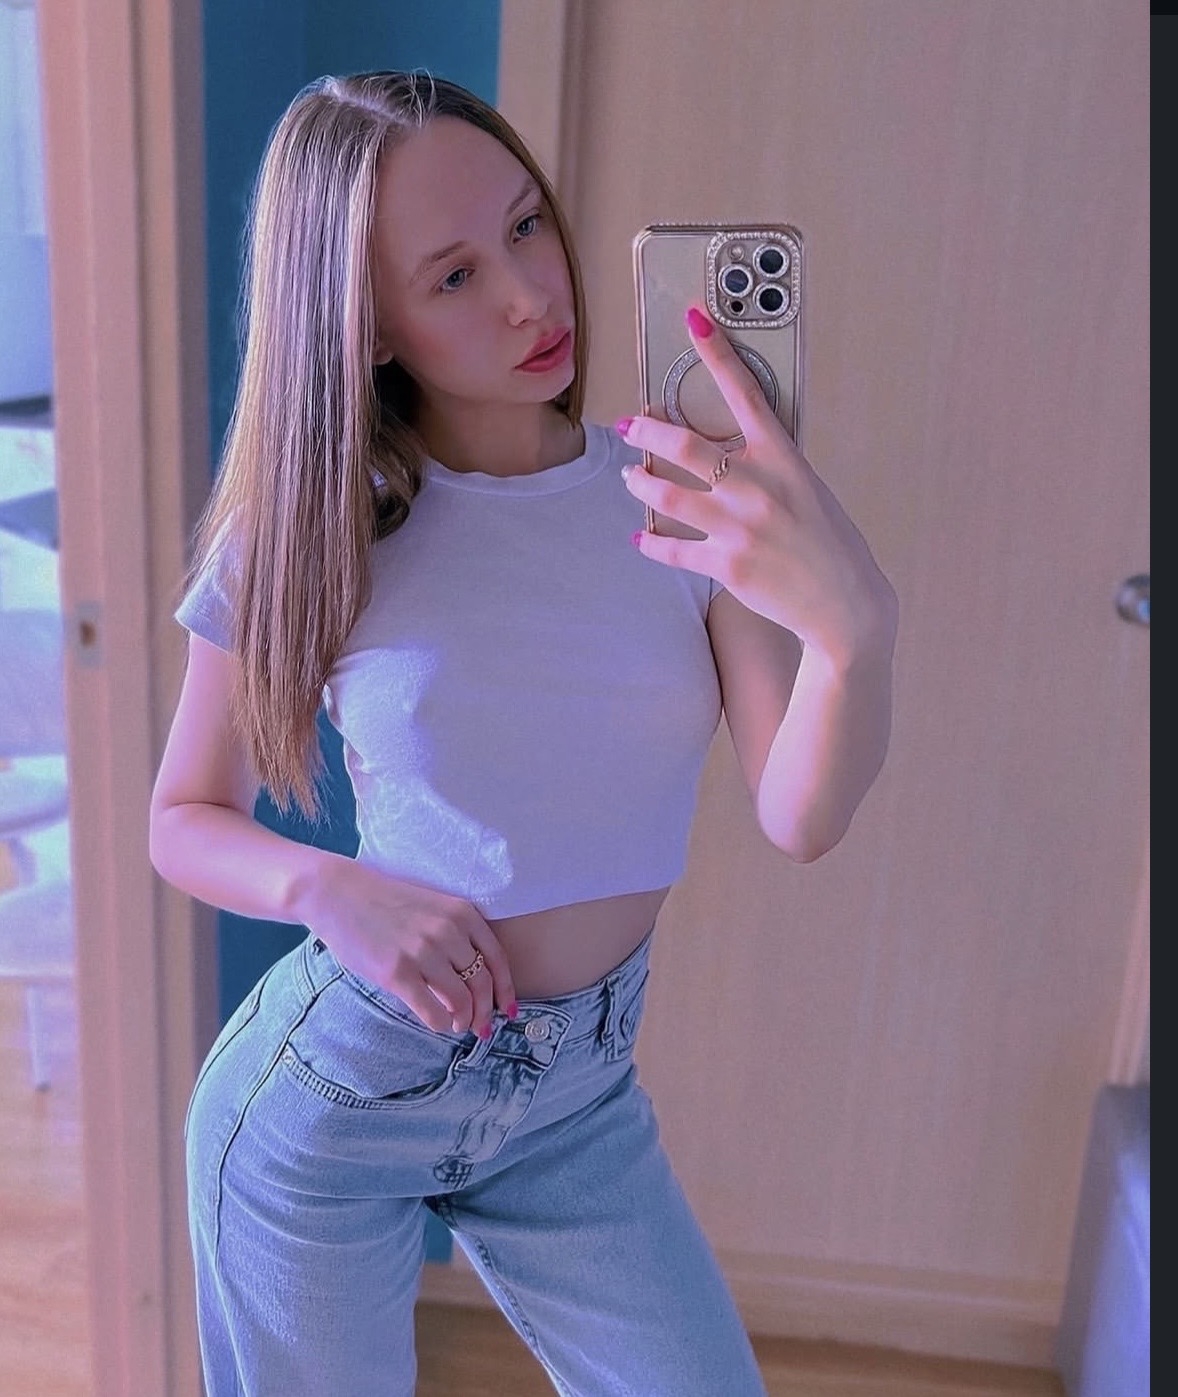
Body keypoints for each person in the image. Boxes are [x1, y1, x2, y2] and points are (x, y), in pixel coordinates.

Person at [149, 70, 897, 1397]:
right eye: (453, 277)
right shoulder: (313, 531)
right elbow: (182, 817)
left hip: (576, 1102)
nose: (529, 296)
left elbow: (799, 816)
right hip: (337, 1103)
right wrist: (328, 889)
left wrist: (854, 634)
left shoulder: (679, 495)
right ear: (368, 325)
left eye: (526, 225)